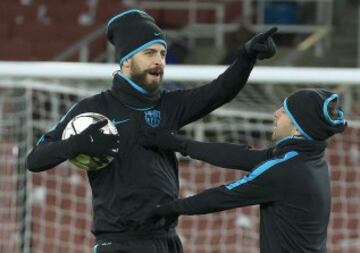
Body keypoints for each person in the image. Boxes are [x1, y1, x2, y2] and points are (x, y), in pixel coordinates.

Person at [26, 9, 277, 253]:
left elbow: (218, 92)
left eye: (162, 53)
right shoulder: (94, 108)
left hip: (166, 240)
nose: (159, 60)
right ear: (126, 61)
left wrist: (246, 57)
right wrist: (74, 144)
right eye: (149, 53)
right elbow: (36, 159)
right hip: (119, 242)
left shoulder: (168, 105)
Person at [140, 89, 347, 253]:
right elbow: (241, 156)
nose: (276, 114)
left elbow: (223, 196)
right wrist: (177, 144)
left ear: (297, 128)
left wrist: (168, 209)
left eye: (283, 111)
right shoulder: (307, 160)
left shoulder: (284, 170)